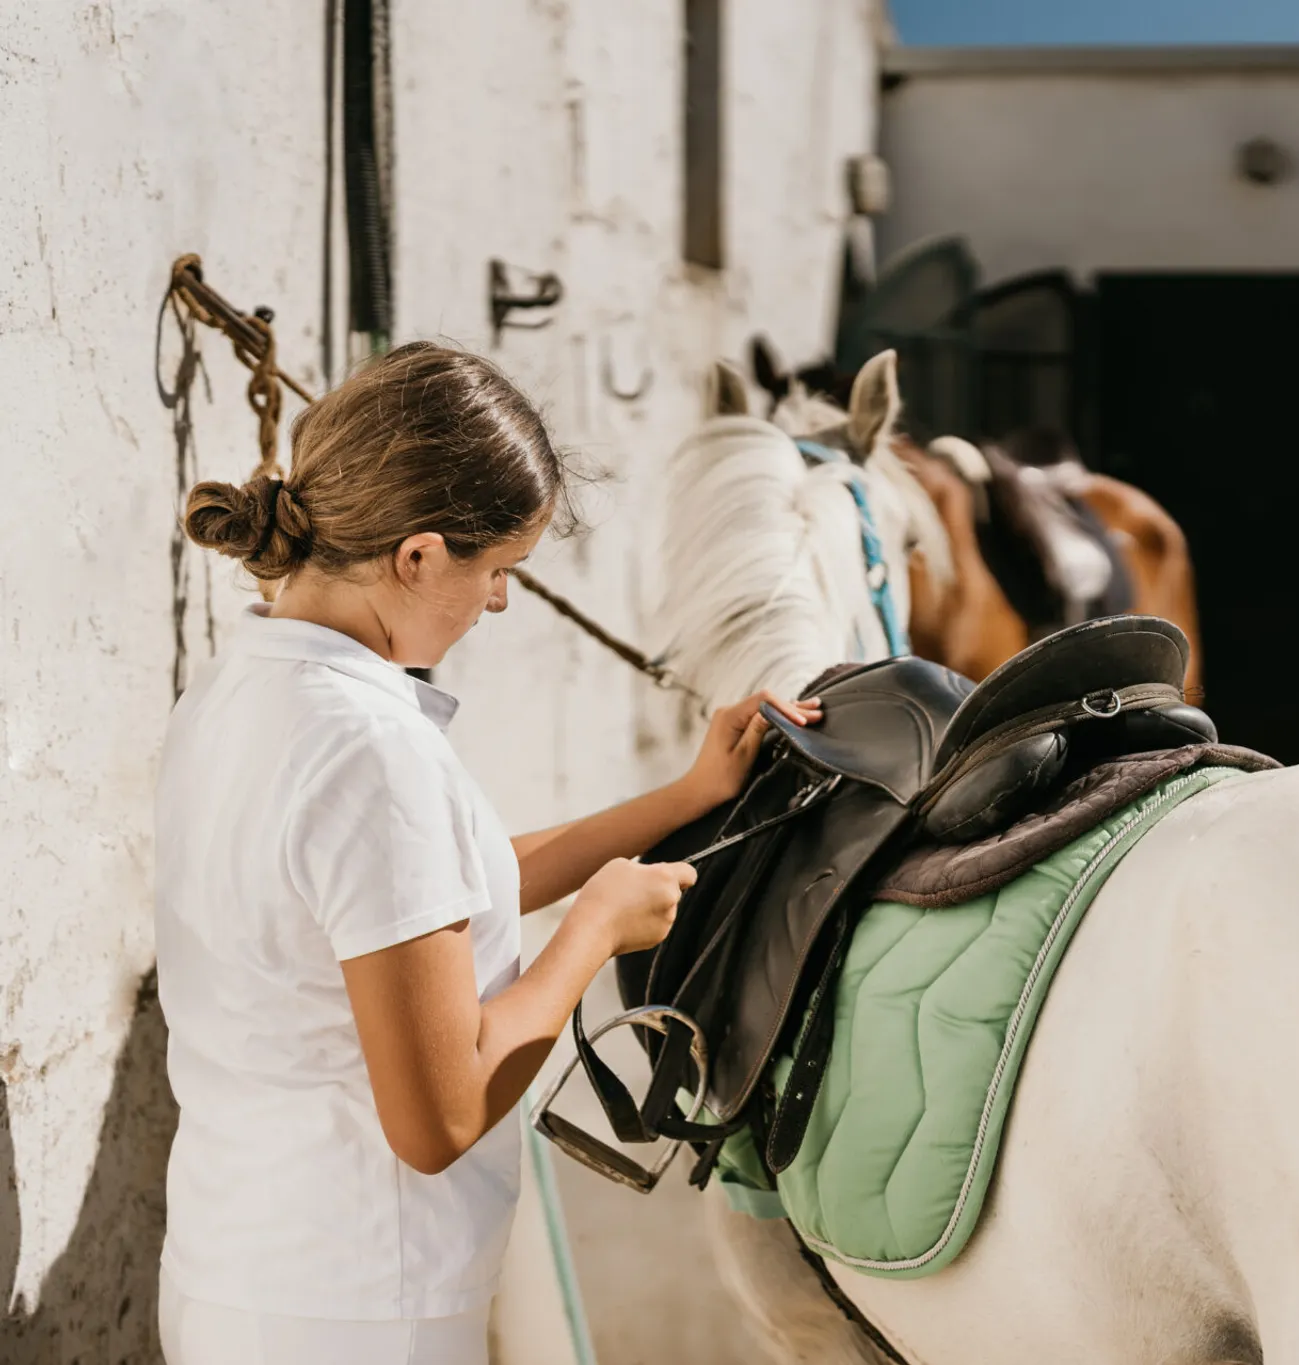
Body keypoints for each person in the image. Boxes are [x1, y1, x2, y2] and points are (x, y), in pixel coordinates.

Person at [153, 341, 818, 1364]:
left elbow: (421, 900)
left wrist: (685, 797)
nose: (498, 602)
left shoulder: (241, 684)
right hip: (362, 1308)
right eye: (498, 570)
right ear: (417, 556)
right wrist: (592, 932)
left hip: (236, 1275)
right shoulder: (371, 752)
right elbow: (440, 1118)